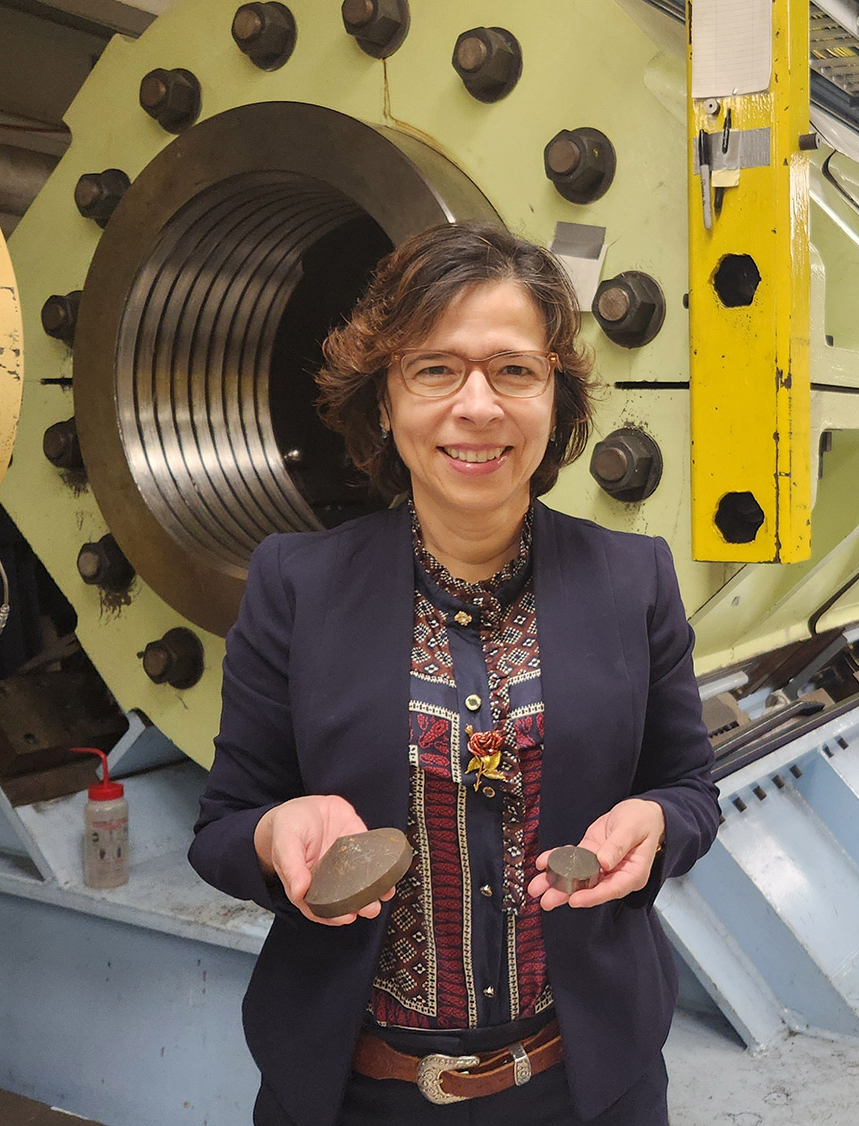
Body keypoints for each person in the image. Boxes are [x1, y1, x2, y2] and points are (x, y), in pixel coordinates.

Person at [188, 223, 720, 1126]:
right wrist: (278, 830)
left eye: (514, 370)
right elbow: (222, 827)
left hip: (588, 1085)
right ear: (386, 401)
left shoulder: (635, 581)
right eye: (434, 370)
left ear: (555, 399)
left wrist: (657, 826)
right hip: (355, 1092)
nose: (478, 407)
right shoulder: (296, 585)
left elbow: (691, 789)